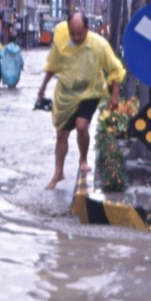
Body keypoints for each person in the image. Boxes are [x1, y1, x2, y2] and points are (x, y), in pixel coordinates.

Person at [37, 12, 125, 189]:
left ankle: (83, 159)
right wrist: (43, 87)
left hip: (91, 92)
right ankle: (58, 172)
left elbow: (115, 68)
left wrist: (115, 95)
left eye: (80, 33)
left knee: (81, 125)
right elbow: (52, 66)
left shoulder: (99, 44)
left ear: (87, 28)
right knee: (62, 134)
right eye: (73, 33)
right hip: (66, 93)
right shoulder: (62, 41)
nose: (76, 37)